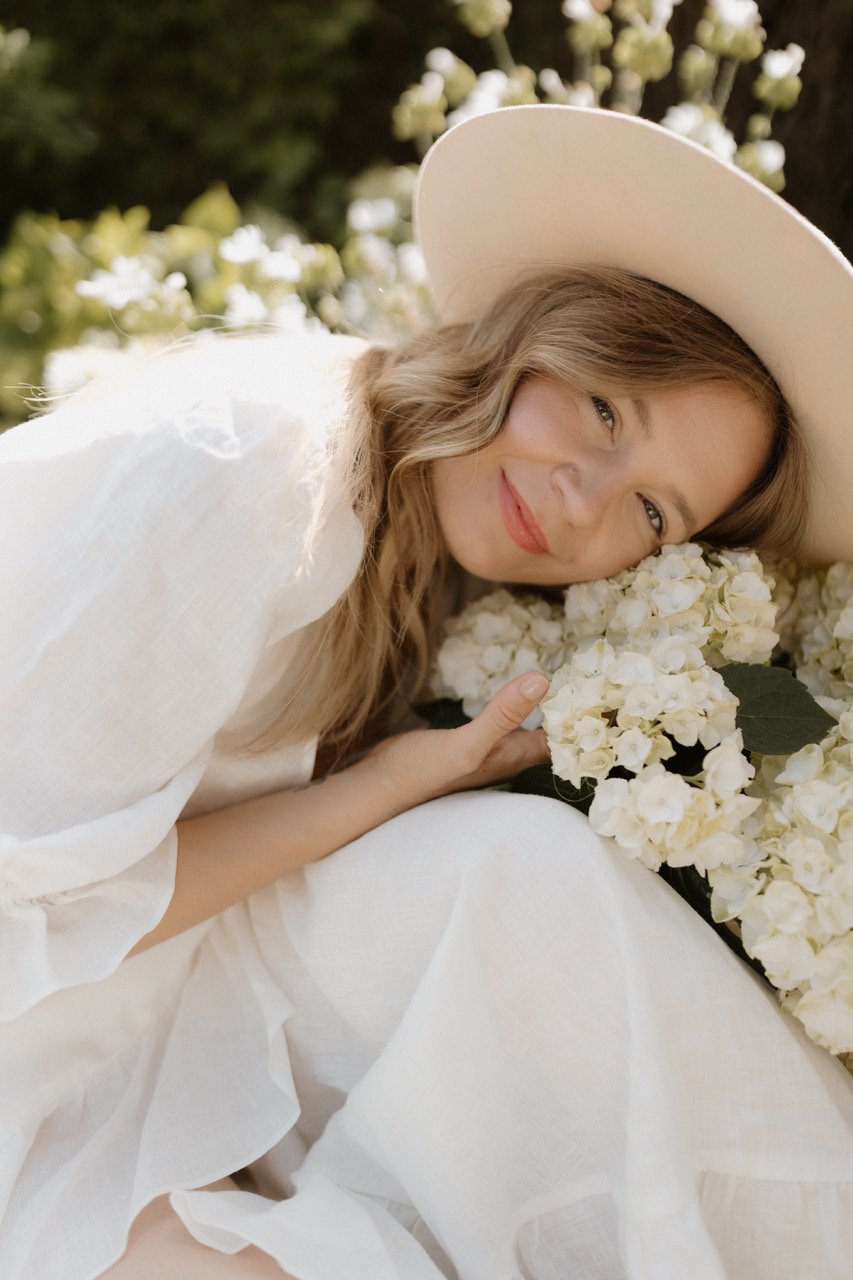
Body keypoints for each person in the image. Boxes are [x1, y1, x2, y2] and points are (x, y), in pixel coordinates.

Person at [1, 105, 852, 1280]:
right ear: (532, 329)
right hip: (38, 1037)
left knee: (526, 872)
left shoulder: (423, 564)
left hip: (160, 1016)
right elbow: (23, 911)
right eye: (604, 408)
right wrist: (384, 787)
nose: (581, 500)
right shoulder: (250, 468)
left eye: (652, 512)